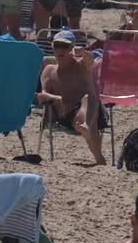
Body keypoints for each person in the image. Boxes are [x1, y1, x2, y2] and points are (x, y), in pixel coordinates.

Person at [36, 29, 106, 165]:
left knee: (88, 99)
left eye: (65, 46)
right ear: (52, 47)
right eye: (57, 45)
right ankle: (98, 156)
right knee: (86, 117)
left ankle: (85, 125)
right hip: (67, 117)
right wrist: (58, 99)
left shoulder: (81, 65)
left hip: (92, 111)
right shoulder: (49, 70)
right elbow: (41, 96)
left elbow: (90, 61)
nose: (60, 49)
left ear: (72, 49)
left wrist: (84, 53)